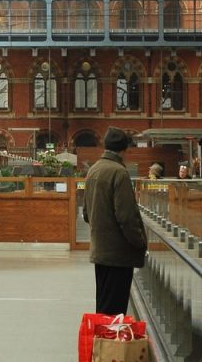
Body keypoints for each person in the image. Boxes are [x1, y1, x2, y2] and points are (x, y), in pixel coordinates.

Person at [83, 127, 148, 315]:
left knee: (103, 307)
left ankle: (102, 343)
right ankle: (110, 344)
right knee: (115, 311)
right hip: (118, 255)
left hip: (100, 251)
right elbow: (126, 216)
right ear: (124, 149)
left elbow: (87, 213)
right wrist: (140, 243)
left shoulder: (93, 170)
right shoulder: (119, 173)